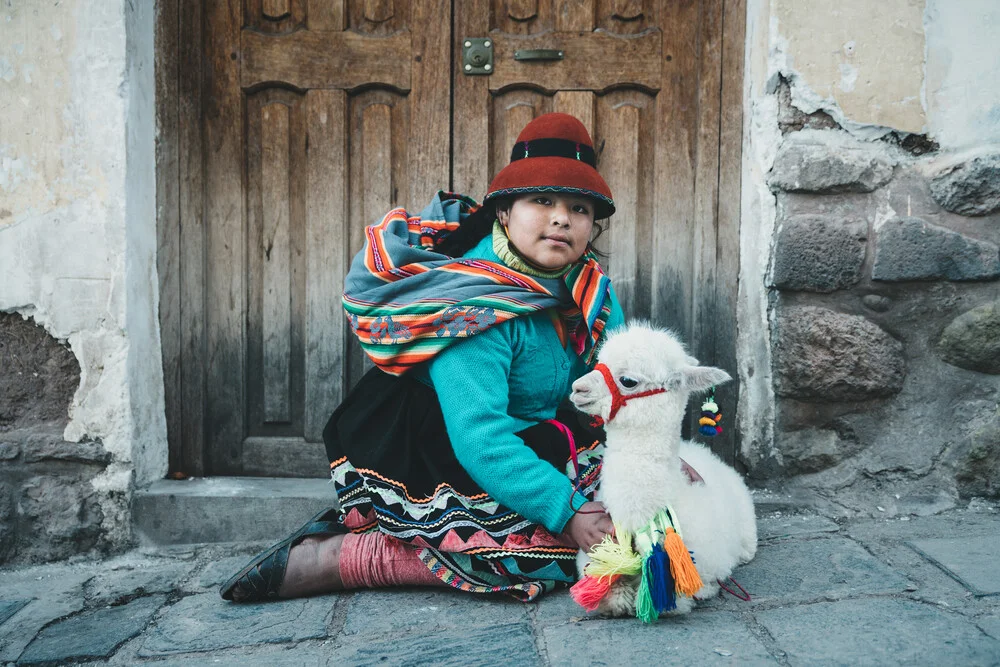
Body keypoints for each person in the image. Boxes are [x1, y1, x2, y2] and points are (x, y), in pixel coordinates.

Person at [221, 112, 625, 603]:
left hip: (527, 431)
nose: (562, 217)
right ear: (504, 212)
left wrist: (659, 453)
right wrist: (567, 508)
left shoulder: (589, 293)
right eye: (541, 200)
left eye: (579, 208)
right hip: (443, 445)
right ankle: (346, 559)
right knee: (543, 552)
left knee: (635, 516)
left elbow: (620, 385)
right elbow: (481, 437)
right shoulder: (474, 308)